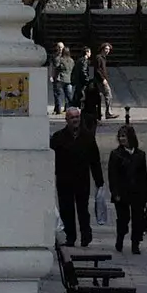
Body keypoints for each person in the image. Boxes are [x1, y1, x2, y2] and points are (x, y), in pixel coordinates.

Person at [50, 105, 104, 247]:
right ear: (66, 119)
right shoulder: (58, 138)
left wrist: (99, 181)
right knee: (66, 209)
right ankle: (70, 236)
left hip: (82, 179)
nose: (75, 120)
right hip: (64, 180)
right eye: (72, 117)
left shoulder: (87, 137)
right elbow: (51, 159)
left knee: (83, 209)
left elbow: (95, 160)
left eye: (77, 117)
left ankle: (86, 234)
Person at [108, 124, 147, 254]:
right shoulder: (115, 155)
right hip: (122, 193)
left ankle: (135, 243)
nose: (121, 139)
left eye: (124, 136)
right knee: (123, 219)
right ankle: (120, 238)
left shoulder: (140, 155)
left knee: (137, 219)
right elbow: (112, 176)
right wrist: (115, 193)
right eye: (120, 136)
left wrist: (145, 196)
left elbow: (144, 177)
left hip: (137, 193)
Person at [95, 43, 116, 120]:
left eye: (109, 49)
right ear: (102, 49)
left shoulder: (103, 58)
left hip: (102, 80)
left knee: (101, 96)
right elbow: (98, 69)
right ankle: (108, 113)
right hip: (100, 80)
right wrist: (103, 78)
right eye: (106, 49)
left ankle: (100, 113)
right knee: (108, 95)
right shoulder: (99, 58)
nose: (108, 51)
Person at [55, 45, 74, 111]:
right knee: (68, 96)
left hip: (60, 79)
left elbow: (57, 67)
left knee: (58, 95)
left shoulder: (60, 59)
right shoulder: (71, 60)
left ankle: (58, 109)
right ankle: (69, 108)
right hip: (69, 79)